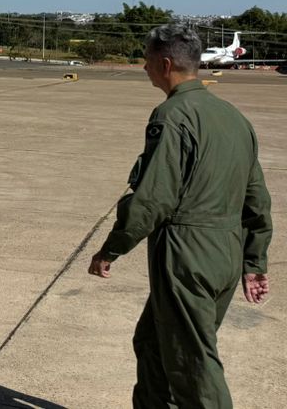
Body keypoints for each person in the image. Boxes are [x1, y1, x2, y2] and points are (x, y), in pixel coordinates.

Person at [87, 22, 272, 409]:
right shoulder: (234, 118)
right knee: (153, 345)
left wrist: (111, 249)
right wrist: (253, 261)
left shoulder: (172, 116)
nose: (144, 68)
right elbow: (256, 198)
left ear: (165, 63)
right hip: (226, 254)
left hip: (187, 258)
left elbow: (154, 198)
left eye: (147, 61)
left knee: (194, 368)